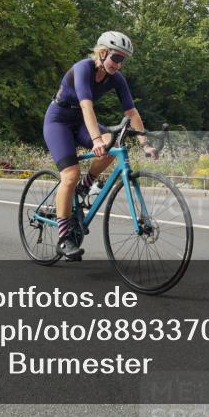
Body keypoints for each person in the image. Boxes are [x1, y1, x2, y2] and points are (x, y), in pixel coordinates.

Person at [42, 31, 157, 260]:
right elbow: (87, 107)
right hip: (58, 120)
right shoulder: (83, 68)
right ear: (102, 53)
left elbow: (131, 112)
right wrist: (95, 140)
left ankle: (86, 186)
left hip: (80, 122)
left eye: (123, 60)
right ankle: (64, 238)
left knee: (112, 145)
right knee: (70, 174)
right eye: (116, 58)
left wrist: (145, 144)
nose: (119, 64)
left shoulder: (116, 78)